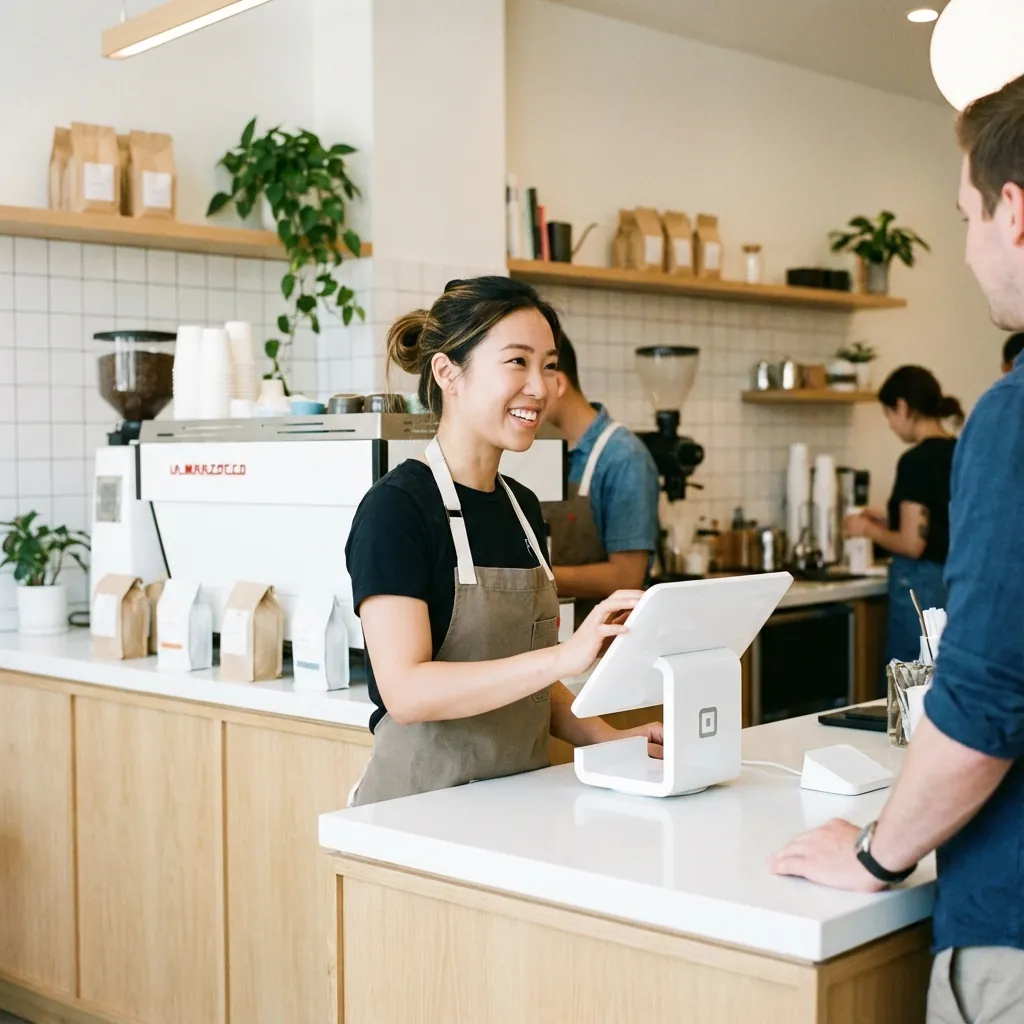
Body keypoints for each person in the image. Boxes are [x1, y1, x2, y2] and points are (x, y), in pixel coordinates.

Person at [771, 73, 1024, 1024]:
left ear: (1014, 211)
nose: (964, 251)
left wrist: (876, 851)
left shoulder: (1014, 420)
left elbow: (987, 700)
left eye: (965, 216)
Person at [344, 277, 663, 806]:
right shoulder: (396, 511)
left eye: (549, 365)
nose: (540, 388)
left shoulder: (522, 507)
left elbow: (528, 683)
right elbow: (406, 692)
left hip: (512, 807)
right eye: (517, 362)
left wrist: (611, 738)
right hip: (416, 815)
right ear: (448, 373)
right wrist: (564, 658)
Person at [842, 366, 962, 668]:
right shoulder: (960, 451)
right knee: (942, 676)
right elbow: (940, 520)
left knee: (910, 679)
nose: (892, 426)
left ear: (903, 406)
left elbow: (913, 544)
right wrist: (887, 519)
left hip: (921, 586)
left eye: (889, 415)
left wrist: (865, 528)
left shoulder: (916, 461)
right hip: (956, 581)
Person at [541, 333, 661, 621]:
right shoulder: (544, 451)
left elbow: (626, 577)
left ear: (557, 383)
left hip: (606, 645)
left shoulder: (622, 456)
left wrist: (535, 580)